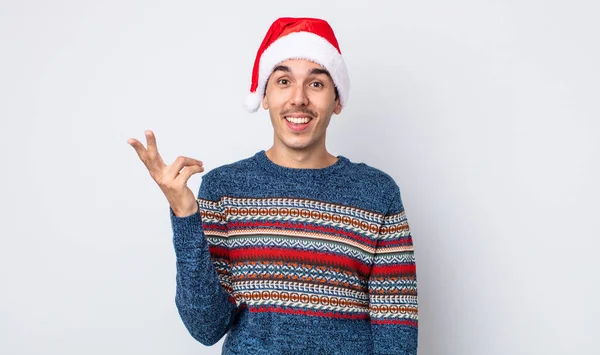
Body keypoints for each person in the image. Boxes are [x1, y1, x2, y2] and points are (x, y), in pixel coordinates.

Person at [128, 17, 418, 355]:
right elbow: (206, 327)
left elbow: (397, 335)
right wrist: (184, 214)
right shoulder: (224, 190)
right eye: (283, 81)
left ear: (337, 101)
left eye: (316, 84)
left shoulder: (376, 194)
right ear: (265, 96)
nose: (298, 99)